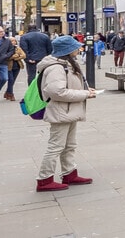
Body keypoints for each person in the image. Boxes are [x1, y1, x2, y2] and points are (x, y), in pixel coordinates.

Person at [34, 34, 98, 192]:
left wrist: (85, 90)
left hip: (69, 110)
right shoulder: (56, 68)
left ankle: (69, 173)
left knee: (69, 145)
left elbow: (66, 86)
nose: (79, 49)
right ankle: (44, 180)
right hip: (60, 111)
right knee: (56, 146)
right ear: (67, 50)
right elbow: (57, 92)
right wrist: (85, 94)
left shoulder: (65, 64)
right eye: (75, 47)